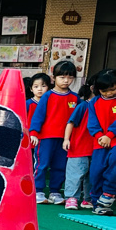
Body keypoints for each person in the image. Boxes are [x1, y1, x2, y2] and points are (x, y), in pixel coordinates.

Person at [29, 60, 78, 204]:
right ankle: (37, 190)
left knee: (60, 165)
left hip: (65, 139)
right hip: (46, 137)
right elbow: (38, 115)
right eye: (62, 77)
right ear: (54, 77)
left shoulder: (75, 98)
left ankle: (55, 192)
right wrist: (34, 133)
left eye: (70, 77)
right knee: (42, 164)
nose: (66, 80)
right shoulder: (47, 96)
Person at [63, 80, 96, 209]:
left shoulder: (102, 105)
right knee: (75, 173)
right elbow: (70, 122)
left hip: (96, 148)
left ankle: (88, 199)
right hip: (79, 146)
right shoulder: (83, 106)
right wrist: (66, 139)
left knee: (92, 175)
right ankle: (71, 197)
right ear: (93, 88)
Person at [87, 70, 116, 214]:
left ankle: (108, 194)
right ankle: (97, 203)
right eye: (105, 91)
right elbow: (92, 122)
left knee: (114, 166)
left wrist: (109, 135)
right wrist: (100, 136)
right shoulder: (94, 102)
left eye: (113, 89)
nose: (109, 93)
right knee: (96, 172)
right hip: (99, 142)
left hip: (114, 141)